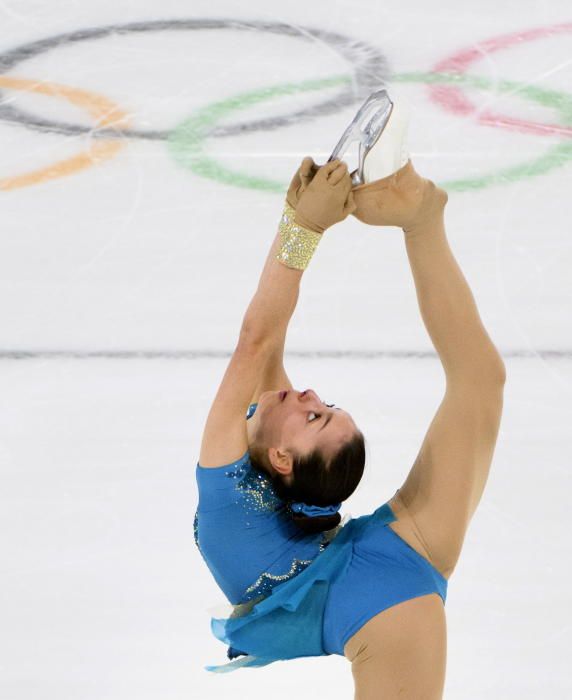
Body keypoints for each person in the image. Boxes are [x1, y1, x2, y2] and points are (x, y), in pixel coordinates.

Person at [194, 92, 506, 698]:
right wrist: (298, 227)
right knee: (482, 383)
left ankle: (418, 211)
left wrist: (299, 223)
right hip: (393, 574)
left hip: (379, 596)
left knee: (481, 383)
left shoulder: (228, 484)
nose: (306, 392)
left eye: (314, 413)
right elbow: (266, 342)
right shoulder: (271, 447)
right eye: (324, 407)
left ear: (283, 458)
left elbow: (259, 341)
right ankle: (420, 213)